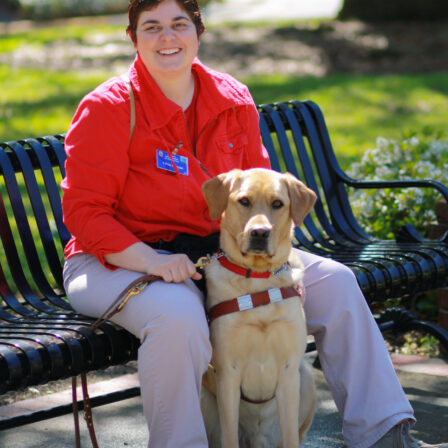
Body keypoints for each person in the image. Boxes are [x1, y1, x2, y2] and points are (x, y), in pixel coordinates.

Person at [61, 1, 447, 447]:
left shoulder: (231, 98)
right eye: (152, 27)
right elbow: (85, 216)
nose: (167, 37)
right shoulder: (108, 108)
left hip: (224, 254)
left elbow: (261, 194)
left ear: (198, 32)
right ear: (133, 38)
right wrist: (151, 260)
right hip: (115, 261)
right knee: (179, 318)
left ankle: (384, 434)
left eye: (178, 24)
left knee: (337, 282)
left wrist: (274, 259)